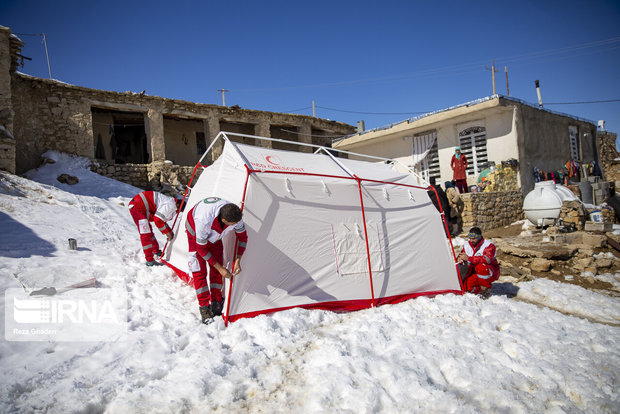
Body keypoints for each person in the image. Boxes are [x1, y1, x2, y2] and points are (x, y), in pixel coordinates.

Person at [186, 197, 248, 324]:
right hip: (195, 236)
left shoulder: (235, 217)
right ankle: (204, 307)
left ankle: (216, 300)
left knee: (218, 264)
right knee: (199, 270)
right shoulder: (203, 220)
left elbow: (243, 237)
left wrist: (238, 259)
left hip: (214, 237)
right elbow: (202, 249)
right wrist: (220, 268)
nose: (236, 226)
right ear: (224, 220)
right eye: (233, 225)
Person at [129, 191, 177, 266]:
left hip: (142, 207)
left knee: (148, 232)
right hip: (137, 207)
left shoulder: (170, 202)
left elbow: (161, 219)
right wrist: (167, 233)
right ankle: (150, 260)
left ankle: (156, 251)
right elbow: (158, 220)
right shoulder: (171, 205)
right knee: (146, 234)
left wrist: (169, 232)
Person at [457, 227, 500, 295]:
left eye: (474, 239)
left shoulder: (489, 245)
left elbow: (487, 259)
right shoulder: (467, 245)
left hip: (489, 271)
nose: (471, 240)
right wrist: (460, 258)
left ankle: (485, 289)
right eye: (470, 238)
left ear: (479, 237)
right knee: (466, 287)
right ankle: (478, 290)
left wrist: (469, 258)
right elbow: (462, 255)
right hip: (473, 271)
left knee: (480, 266)